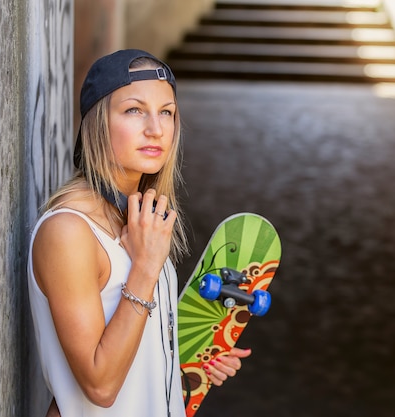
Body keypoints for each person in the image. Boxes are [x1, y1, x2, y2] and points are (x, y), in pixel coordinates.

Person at [27, 49, 251, 417]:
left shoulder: (138, 220)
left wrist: (182, 367)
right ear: (99, 121)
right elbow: (100, 386)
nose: (156, 128)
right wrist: (146, 267)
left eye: (167, 112)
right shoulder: (68, 232)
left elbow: (134, 363)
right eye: (134, 110)